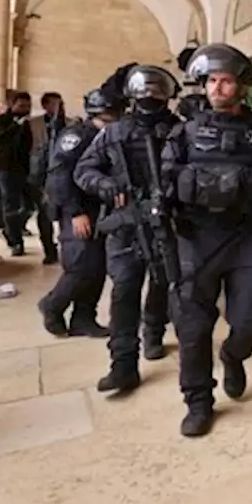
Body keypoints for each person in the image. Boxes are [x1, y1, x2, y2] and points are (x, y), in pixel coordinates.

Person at [162, 43, 252, 437]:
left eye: (225, 81)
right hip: (196, 237)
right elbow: (165, 179)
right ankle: (198, 401)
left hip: (245, 237)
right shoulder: (184, 133)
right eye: (211, 81)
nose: (217, 88)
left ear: (241, 86)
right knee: (192, 326)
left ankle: (233, 354)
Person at [75, 66, 182, 391]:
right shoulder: (114, 132)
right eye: (144, 94)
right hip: (125, 224)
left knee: (163, 283)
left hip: (166, 221)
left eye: (156, 94)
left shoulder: (180, 131)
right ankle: (122, 364)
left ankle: (153, 332)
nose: (150, 99)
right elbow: (84, 170)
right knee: (124, 292)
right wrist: (106, 185)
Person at [37, 89, 123, 339]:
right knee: (80, 267)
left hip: (101, 210)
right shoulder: (77, 136)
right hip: (78, 210)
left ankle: (83, 318)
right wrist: (75, 213)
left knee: (97, 268)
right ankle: (52, 305)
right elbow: (59, 176)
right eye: (108, 117)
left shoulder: (108, 135)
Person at [0, 90, 34, 256]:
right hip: (4, 168)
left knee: (29, 205)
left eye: (28, 106)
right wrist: (16, 126)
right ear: (12, 105)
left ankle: (12, 229)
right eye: (21, 106)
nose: (25, 109)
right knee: (10, 205)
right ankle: (15, 241)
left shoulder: (26, 123)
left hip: (22, 169)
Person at [25, 91, 65, 264]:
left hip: (62, 174)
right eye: (54, 103)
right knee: (44, 215)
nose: (58, 107)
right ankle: (50, 250)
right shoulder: (32, 124)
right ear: (45, 105)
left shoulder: (71, 124)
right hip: (38, 175)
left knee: (65, 214)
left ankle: (68, 248)